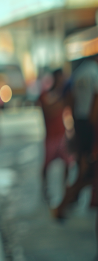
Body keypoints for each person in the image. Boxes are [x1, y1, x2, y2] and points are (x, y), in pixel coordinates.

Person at [53, 54, 98, 220]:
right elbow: (95, 106)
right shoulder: (95, 73)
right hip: (91, 126)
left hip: (80, 122)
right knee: (87, 171)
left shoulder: (79, 72)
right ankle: (63, 205)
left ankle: (67, 203)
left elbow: (69, 98)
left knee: (83, 168)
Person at [38, 69, 73, 202]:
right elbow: (49, 111)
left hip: (61, 135)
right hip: (51, 137)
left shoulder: (58, 94)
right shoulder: (48, 95)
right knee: (46, 166)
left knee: (67, 164)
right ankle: (45, 189)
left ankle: (64, 189)